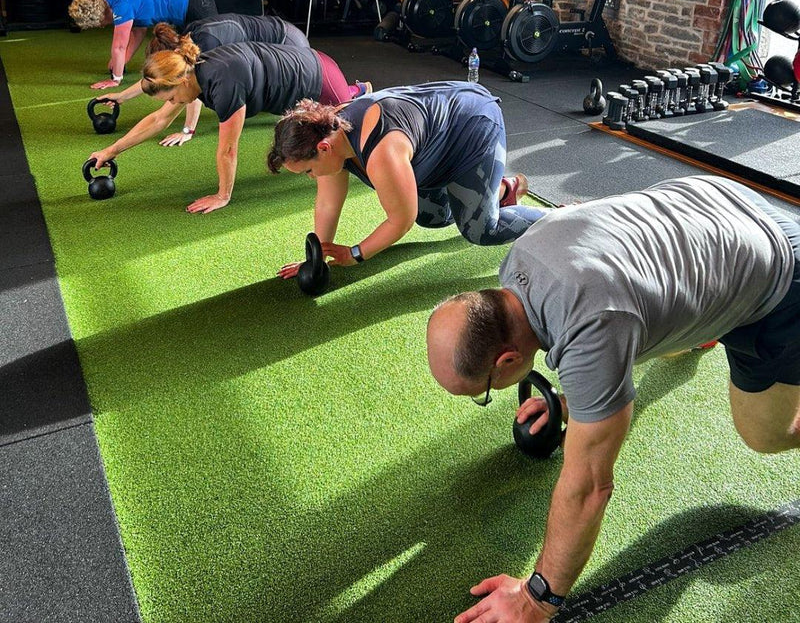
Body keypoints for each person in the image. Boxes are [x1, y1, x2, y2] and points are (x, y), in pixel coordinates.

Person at [426, 175, 800, 623]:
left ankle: (718, 325)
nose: (489, 395)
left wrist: (535, 599)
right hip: (717, 202)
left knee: (765, 433)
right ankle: (702, 326)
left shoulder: (594, 325)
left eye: (483, 394)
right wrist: (575, 400)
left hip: (781, 278)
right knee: (642, 317)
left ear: (507, 361)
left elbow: (589, 488)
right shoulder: (518, 265)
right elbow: (610, 300)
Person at [268, 81, 545, 277]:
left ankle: (562, 217)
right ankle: (498, 192)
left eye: (308, 171)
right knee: (432, 216)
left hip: (472, 126)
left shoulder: (381, 151)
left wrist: (355, 253)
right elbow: (327, 205)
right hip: (435, 151)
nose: (312, 177)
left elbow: (401, 220)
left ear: (323, 149)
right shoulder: (328, 133)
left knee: (480, 230)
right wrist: (317, 257)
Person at [88, 36, 371, 213]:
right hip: (304, 73)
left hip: (318, 76)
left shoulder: (223, 84)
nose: (174, 103)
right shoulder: (194, 73)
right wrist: (112, 150)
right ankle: (357, 93)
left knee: (352, 145)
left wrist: (223, 195)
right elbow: (158, 120)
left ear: (182, 81)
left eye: (172, 96)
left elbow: (228, 149)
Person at [95, 14, 315, 147]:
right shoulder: (187, 43)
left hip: (288, 42)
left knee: (299, 105)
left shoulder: (204, 47)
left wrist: (187, 130)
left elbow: (192, 92)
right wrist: (121, 97)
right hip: (273, 43)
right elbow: (159, 83)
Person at [68, 0, 218, 91]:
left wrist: (116, 79)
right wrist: (121, 62)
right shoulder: (112, 0)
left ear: (99, 18)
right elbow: (138, 32)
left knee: (210, 49)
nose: (101, 27)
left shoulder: (122, 8)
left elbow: (119, 47)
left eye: (98, 25)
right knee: (188, 52)